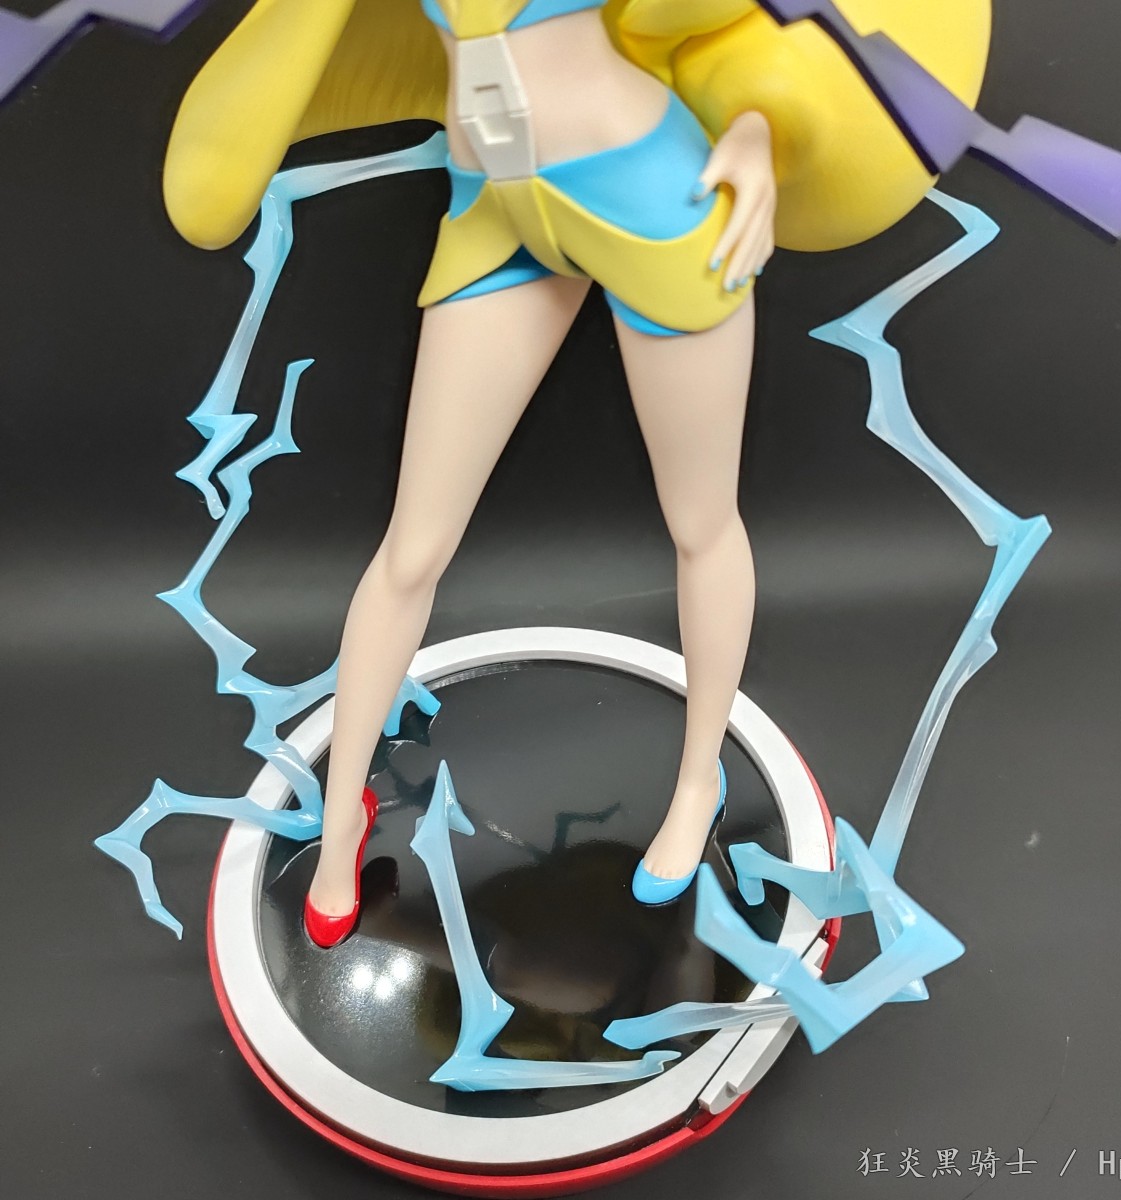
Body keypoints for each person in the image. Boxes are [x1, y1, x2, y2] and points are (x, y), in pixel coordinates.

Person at [162, 0, 990, 943]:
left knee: (701, 524)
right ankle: (343, 810)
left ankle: (697, 784)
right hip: (496, 206)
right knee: (413, 545)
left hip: (650, 195)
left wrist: (768, 126)